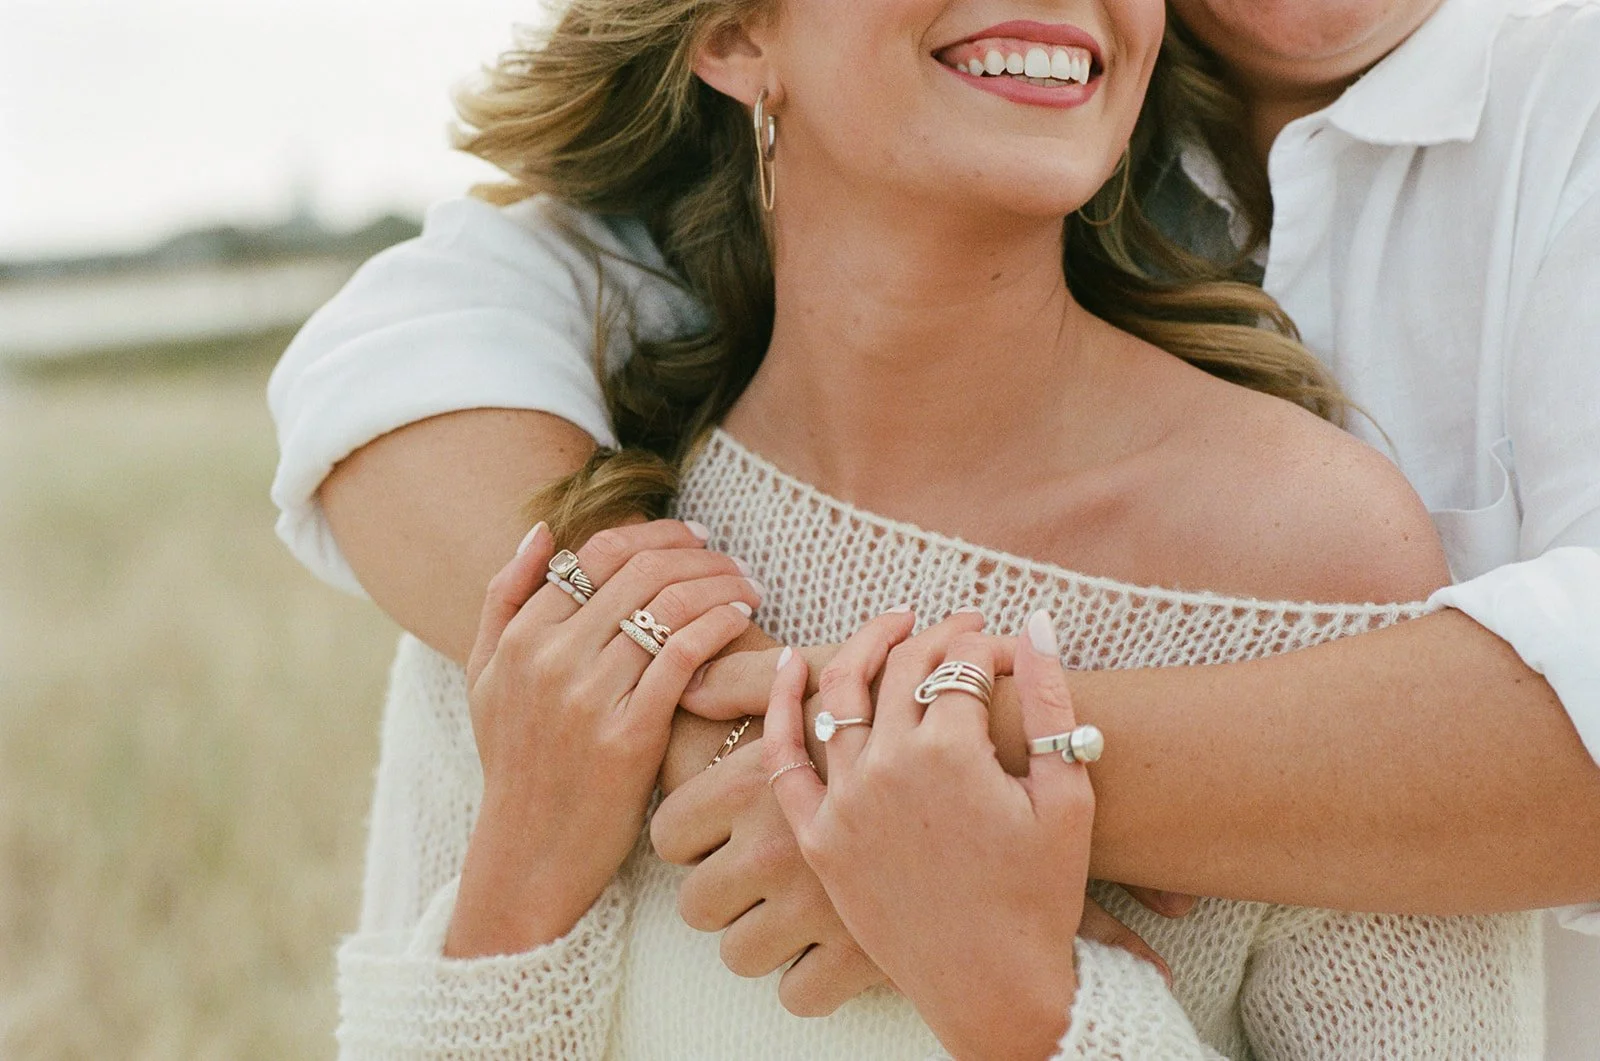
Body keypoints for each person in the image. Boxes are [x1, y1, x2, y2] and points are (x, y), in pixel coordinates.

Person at [273, 0, 1600, 1048]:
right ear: (735, 35)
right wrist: (529, 878)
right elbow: (413, 333)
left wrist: (1031, 984)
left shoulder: (1320, 556)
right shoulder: (573, 522)